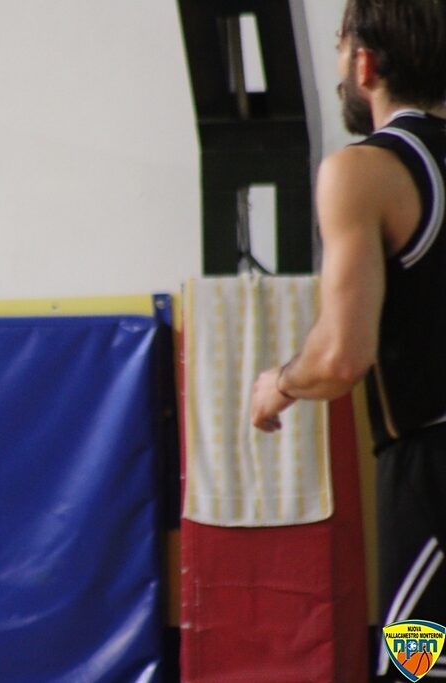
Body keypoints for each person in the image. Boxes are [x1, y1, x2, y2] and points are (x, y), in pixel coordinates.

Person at [250, 0, 446, 679]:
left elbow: (341, 356)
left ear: (364, 64)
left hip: (431, 478)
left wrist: (279, 382)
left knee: (417, 671)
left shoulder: (363, 171)